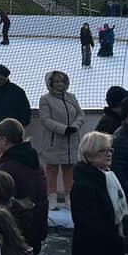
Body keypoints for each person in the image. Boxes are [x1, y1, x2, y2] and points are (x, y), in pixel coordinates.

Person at [0, 120, 49, 255]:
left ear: (4, 140)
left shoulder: (7, 166)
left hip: (16, 231)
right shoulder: (32, 160)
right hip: (36, 226)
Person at [36, 70, 82, 207]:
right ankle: (52, 198)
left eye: (62, 81)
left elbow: (81, 114)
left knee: (69, 169)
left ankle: (69, 197)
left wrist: (75, 126)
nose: (59, 84)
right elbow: (45, 119)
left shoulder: (72, 97)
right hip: (54, 141)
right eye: (56, 82)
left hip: (71, 141)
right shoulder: (45, 99)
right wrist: (63, 129)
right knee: (52, 169)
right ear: (50, 83)